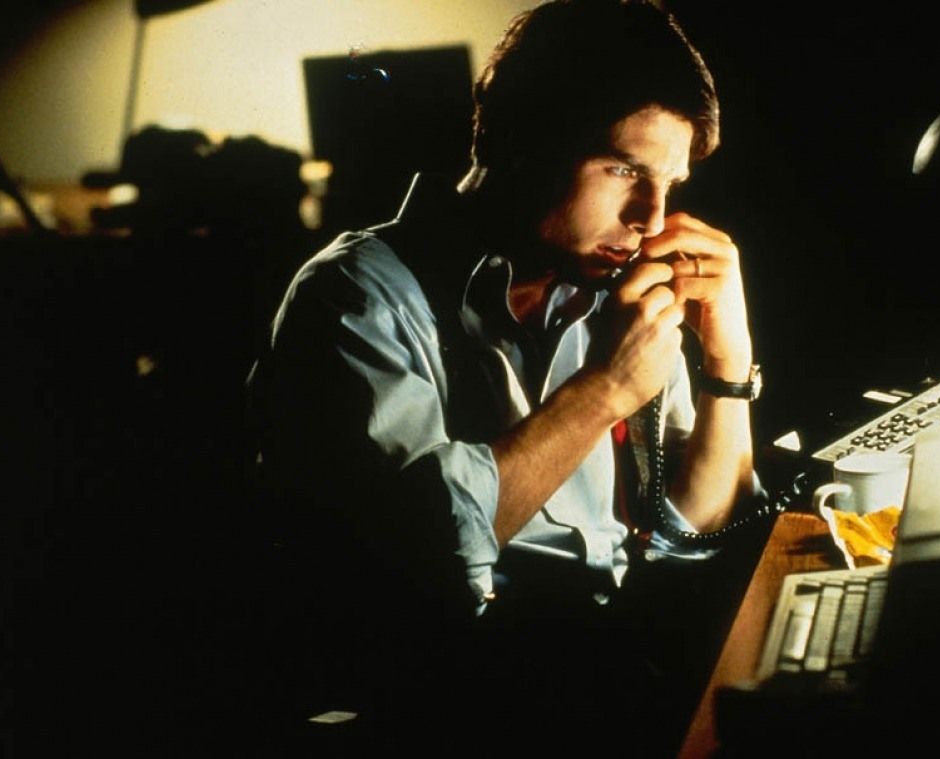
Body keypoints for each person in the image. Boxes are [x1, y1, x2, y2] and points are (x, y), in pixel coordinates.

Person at [248, 0, 765, 750]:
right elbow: (420, 565)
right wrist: (606, 391)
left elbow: (693, 529)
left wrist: (726, 359)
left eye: (669, 182)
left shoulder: (611, 289)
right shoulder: (354, 296)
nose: (652, 219)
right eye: (623, 169)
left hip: (604, 666)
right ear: (520, 139)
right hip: (451, 703)